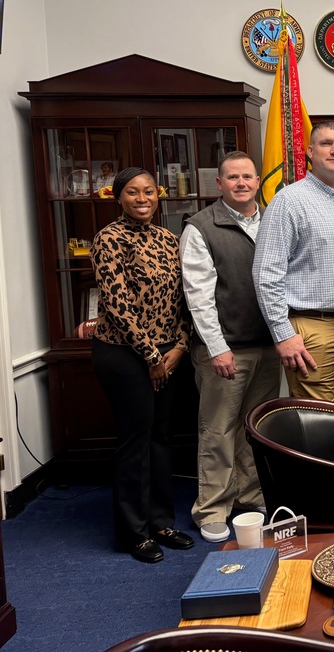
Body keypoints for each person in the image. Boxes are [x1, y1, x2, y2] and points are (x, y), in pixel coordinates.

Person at [91, 167, 195, 563]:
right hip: (124, 354)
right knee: (135, 440)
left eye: (149, 192)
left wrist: (180, 347)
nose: (142, 199)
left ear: (158, 195)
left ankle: (161, 523)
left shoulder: (168, 239)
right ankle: (133, 533)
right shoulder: (109, 239)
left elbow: (182, 299)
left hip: (168, 353)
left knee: (161, 438)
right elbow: (118, 306)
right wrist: (152, 357)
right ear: (118, 197)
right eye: (132, 192)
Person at [180, 152, 281, 543]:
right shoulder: (201, 227)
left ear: (257, 181)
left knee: (254, 428)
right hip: (225, 350)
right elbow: (199, 297)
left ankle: (250, 496)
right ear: (219, 184)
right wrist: (216, 347)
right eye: (233, 177)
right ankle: (211, 509)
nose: (241, 183)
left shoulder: (272, 220)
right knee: (218, 431)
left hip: (267, 346)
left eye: (247, 177)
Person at [252, 122, 334, 404]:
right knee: (319, 418)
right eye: (326, 143)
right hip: (311, 327)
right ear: (310, 151)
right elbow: (266, 273)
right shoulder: (288, 201)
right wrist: (283, 335)